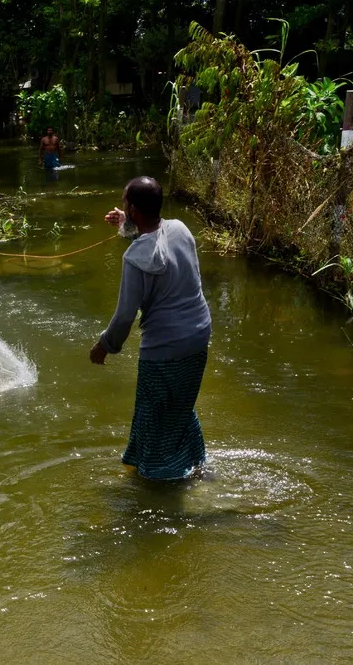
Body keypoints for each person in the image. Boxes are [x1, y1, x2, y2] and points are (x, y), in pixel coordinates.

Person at [89, 176, 212, 480]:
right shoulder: (180, 229)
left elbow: (124, 318)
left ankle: (160, 483)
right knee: (180, 404)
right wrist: (125, 223)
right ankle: (198, 464)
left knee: (154, 414)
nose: (123, 209)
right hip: (199, 333)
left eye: (125, 204)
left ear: (135, 211)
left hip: (165, 347)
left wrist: (103, 346)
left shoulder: (135, 260)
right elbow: (156, 243)